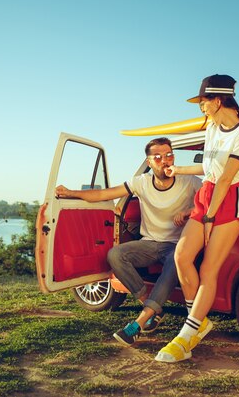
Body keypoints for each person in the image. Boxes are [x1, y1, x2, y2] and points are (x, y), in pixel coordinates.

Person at [155, 74, 239, 363]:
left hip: (231, 199)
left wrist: (209, 219)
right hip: (208, 195)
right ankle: (198, 320)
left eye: (203, 102)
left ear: (217, 101)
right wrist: (178, 171)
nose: (200, 107)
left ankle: (185, 337)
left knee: (209, 270)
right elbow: (210, 170)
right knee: (181, 256)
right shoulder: (213, 128)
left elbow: (227, 178)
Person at [55, 137, 201, 346]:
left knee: (175, 261)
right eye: (158, 157)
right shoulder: (140, 182)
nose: (165, 161)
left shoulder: (191, 181)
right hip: (150, 243)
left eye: (169, 155)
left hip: (180, 244)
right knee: (115, 255)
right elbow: (105, 194)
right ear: (149, 162)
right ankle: (150, 307)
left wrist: (189, 211)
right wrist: (71, 193)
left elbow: (211, 202)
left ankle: (139, 323)